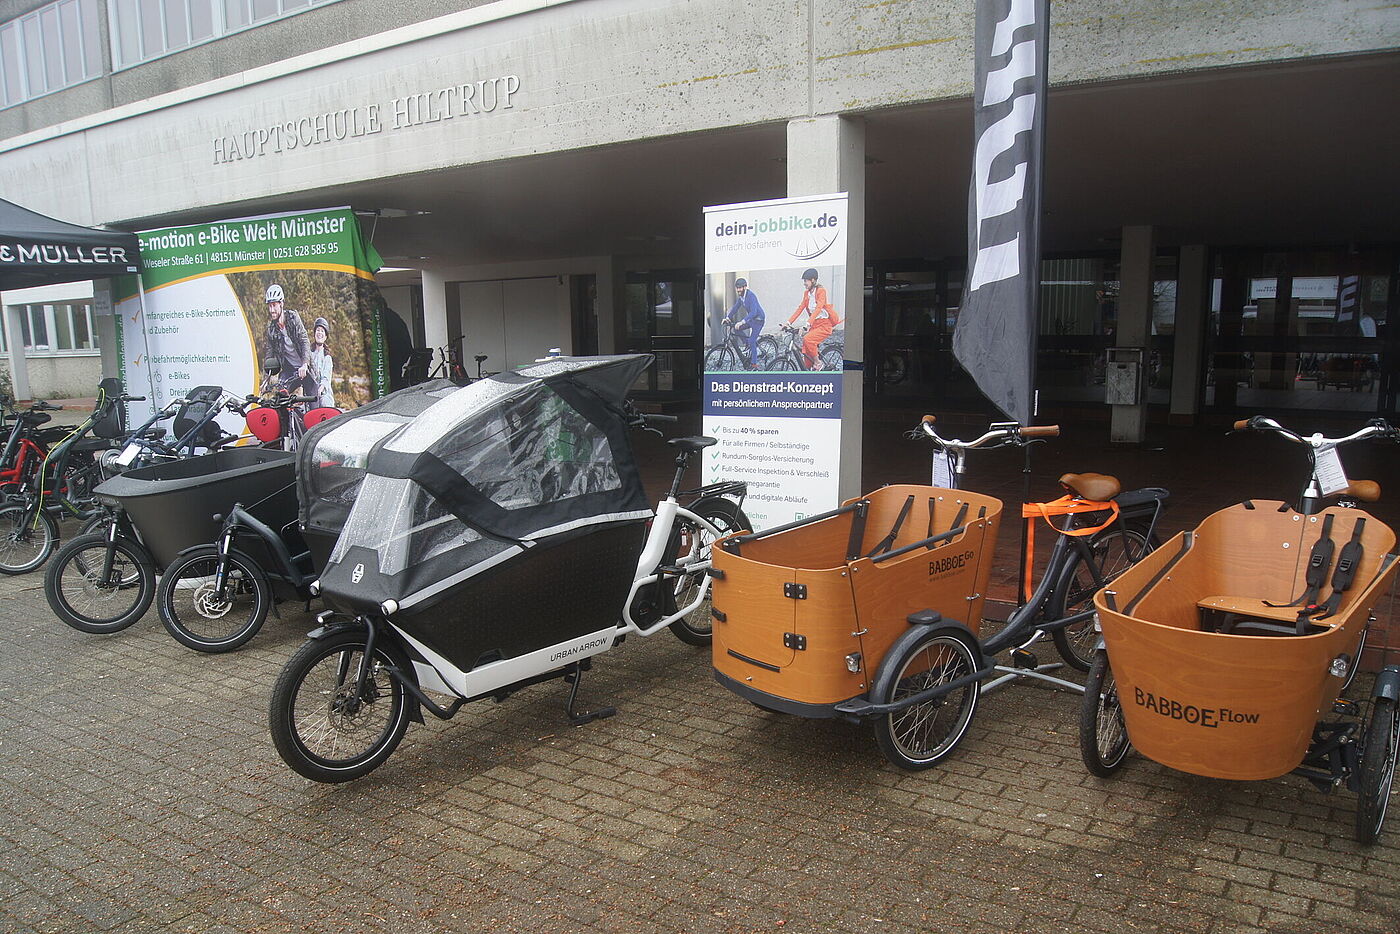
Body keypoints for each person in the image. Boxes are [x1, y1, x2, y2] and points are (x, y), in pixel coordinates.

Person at [785, 268, 841, 370]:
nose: (804, 283)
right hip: (814, 325)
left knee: (808, 339)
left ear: (813, 280)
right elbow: (800, 308)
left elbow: (818, 308)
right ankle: (810, 372)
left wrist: (807, 325)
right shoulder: (806, 294)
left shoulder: (821, 291)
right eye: (804, 281)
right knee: (806, 352)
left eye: (806, 281)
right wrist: (788, 323)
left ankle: (818, 362)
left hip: (824, 325)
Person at [262, 283, 312, 395]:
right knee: (281, 398)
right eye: (269, 306)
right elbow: (269, 356)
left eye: (274, 305)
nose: (272, 310)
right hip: (288, 370)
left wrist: (304, 364)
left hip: (305, 368)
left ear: (281, 304)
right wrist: (266, 380)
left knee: (314, 404)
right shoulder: (271, 329)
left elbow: (304, 341)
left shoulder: (293, 318)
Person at [724, 277, 766, 369]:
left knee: (752, 341)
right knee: (736, 328)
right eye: (737, 288)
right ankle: (747, 344)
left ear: (745, 287)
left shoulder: (751, 296)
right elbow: (735, 308)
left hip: (758, 320)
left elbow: (754, 312)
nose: (738, 290)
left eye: (740, 287)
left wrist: (742, 321)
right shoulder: (741, 297)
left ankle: (754, 365)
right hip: (751, 319)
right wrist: (727, 318)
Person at [309, 316, 335, 408]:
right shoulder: (309, 354)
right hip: (309, 394)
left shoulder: (327, 357)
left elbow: (325, 379)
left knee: (324, 404)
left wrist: (319, 390)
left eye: (322, 331)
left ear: (326, 336)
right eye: (318, 330)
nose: (319, 333)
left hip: (323, 394)